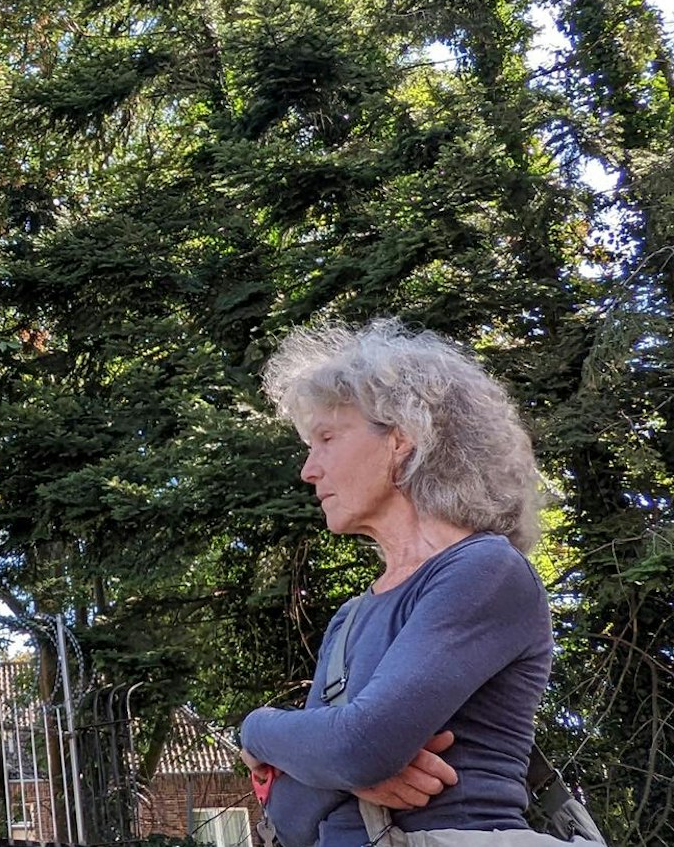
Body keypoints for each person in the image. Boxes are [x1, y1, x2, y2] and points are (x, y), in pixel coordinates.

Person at [237, 319, 553, 847]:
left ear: (402, 438)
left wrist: (257, 728)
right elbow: (290, 816)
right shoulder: (350, 618)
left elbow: (358, 748)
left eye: (327, 438)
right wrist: (349, 769)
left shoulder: (485, 571)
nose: (309, 470)